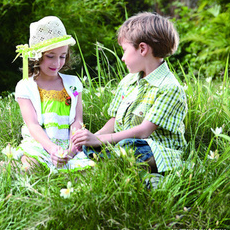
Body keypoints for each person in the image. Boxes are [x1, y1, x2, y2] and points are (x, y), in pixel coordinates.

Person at [71, 12, 187, 174]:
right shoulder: (128, 81)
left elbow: (143, 131)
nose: (123, 58)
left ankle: (131, 171)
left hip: (155, 149)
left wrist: (98, 140)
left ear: (142, 49)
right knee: (97, 147)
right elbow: (114, 120)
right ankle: (107, 164)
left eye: (125, 50)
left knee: (130, 148)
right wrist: (90, 139)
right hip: (122, 144)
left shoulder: (169, 87)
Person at [13, 16, 93, 172]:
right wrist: (51, 149)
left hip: (68, 144)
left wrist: (72, 149)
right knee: (31, 168)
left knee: (87, 170)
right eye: (50, 56)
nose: (57, 63)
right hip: (40, 144)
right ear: (37, 55)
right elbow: (33, 125)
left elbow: (77, 120)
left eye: (62, 56)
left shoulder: (73, 84)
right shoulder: (26, 87)